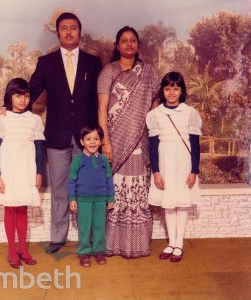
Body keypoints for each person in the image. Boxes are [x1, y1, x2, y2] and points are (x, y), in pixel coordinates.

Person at [28, 12, 102, 254]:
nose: (69, 31)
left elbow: (101, 101)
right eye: (64, 28)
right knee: (60, 189)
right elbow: (29, 93)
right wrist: (6, 108)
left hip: (87, 140)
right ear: (57, 32)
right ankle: (57, 238)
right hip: (57, 137)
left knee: (87, 189)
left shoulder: (93, 63)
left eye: (73, 27)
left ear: (80, 32)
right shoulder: (45, 62)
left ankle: (87, 239)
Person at [97, 26, 160, 258]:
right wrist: (106, 142)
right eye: (124, 41)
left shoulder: (150, 73)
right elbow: (102, 109)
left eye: (133, 40)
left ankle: (137, 244)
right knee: (117, 193)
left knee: (138, 193)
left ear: (138, 45)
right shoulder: (108, 71)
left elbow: (154, 109)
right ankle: (113, 244)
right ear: (117, 45)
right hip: (115, 141)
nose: (129, 44)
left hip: (141, 142)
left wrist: (155, 138)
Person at [0, 78, 45, 268]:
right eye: (18, 95)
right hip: (8, 170)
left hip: (27, 169)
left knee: (22, 208)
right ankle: (11, 251)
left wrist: (39, 173)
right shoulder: (2, 118)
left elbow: (39, 148)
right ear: (10, 96)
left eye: (26, 95)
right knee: (10, 208)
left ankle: (23, 249)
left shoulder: (35, 120)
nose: (23, 99)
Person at [146, 71, 202, 262]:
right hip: (165, 163)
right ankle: (171, 242)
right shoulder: (155, 115)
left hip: (184, 163)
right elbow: (153, 145)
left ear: (182, 91)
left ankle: (179, 244)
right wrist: (156, 171)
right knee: (168, 204)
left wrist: (194, 170)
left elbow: (195, 144)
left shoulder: (190, 113)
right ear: (162, 91)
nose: (171, 92)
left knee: (182, 203)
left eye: (176, 88)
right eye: (168, 88)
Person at [68, 125, 115, 267]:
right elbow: (71, 180)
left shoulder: (103, 160)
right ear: (82, 142)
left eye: (96, 139)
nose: (92, 142)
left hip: (100, 200)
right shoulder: (78, 159)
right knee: (85, 227)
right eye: (88, 139)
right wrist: (72, 199)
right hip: (83, 201)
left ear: (101, 142)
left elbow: (109, 179)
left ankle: (99, 251)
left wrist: (111, 198)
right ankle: (84, 253)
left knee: (99, 226)